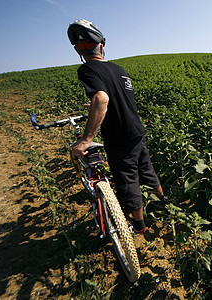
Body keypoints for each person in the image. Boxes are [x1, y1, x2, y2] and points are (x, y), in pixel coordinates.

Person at [67, 19, 166, 234]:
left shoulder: (87, 69)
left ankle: (139, 227)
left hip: (119, 136)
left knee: (128, 180)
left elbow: (102, 98)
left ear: (79, 50)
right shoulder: (118, 69)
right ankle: (163, 202)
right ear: (101, 46)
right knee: (146, 169)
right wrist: (93, 104)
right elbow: (116, 97)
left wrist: (85, 140)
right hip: (136, 130)